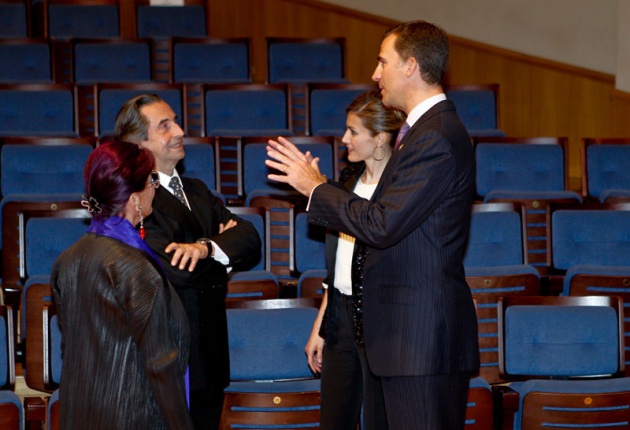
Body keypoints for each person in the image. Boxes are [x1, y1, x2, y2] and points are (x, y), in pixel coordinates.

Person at [266, 20, 479, 430]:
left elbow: (382, 225)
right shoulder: (420, 132)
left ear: (410, 66)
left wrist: (316, 188)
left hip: (419, 343)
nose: (375, 74)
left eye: (383, 62)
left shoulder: (435, 136)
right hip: (402, 340)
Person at [114, 94, 261, 430]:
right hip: (167, 357)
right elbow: (176, 270)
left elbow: (251, 239)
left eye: (176, 121)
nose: (180, 131)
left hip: (210, 353)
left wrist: (206, 248)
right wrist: (225, 260)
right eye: (165, 126)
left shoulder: (197, 189)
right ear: (139, 143)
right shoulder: (133, 199)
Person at [51, 141, 194, 430]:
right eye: (152, 179)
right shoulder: (135, 267)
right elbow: (160, 364)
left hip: (80, 415)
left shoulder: (67, 260)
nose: (156, 186)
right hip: (135, 416)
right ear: (134, 200)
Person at [304, 90, 405, 430]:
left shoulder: (400, 189)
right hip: (341, 315)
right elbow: (339, 268)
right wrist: (322, 326)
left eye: (353, 131)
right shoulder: (347, 181)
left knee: (382, 419)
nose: (344, 138)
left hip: (383, 320)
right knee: (335, 418)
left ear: (380, 138)